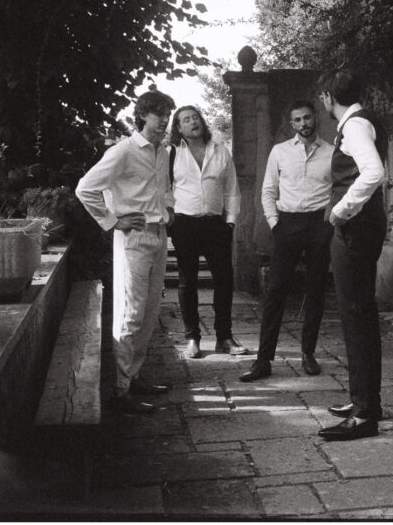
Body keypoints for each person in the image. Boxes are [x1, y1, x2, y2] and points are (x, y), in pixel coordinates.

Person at [75, 90, 176, 414]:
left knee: (149, 312)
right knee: (130, 313)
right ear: (143, 115)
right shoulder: (124, 151)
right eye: (159, 114)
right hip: (133, 239)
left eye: (168, 115)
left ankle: (133, 376)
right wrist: (113, 221)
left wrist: (168, 209)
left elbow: (164, 189)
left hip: (159, 236)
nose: (165, 121)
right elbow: (85, 188)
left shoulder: (163, 151)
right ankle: (120, 392)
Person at [315, 68, 388, 441]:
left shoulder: (355, 126)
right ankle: (366, 402)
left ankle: (364, 415)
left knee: (356, 315)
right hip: (362, 227)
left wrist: (341, 210)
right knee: (360, 315)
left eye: (322, 97)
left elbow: (374, 172)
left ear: (329, 97)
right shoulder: (357, 123)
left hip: (355, 229)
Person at [239, 100, 334, 383]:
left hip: (320, 225)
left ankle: (308, 353)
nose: (303, 124)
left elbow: (337, 190)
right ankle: (263, 360)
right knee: (276, 291)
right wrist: (275, 224)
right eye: (297, 120)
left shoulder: (331, 152)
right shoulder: (280, 151)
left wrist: (329, 222)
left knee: (316, 290)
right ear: (291, 123)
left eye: (307, 118)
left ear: (315, 118)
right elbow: (268, 190)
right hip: (287, 224)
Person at [169, 105, 248, 359]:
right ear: (178, 128)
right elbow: (164, 189)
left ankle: (224, 337)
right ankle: (192, 338)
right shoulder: (172, 153)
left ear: (202, 121)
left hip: (215, 224)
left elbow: (232, 189)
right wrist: (169, 219)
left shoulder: (220, 151)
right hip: (184, 224)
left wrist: (231, 222)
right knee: (187, 282)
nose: (193, 122)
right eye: (186, 120)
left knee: (224, 280)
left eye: (195, 117)